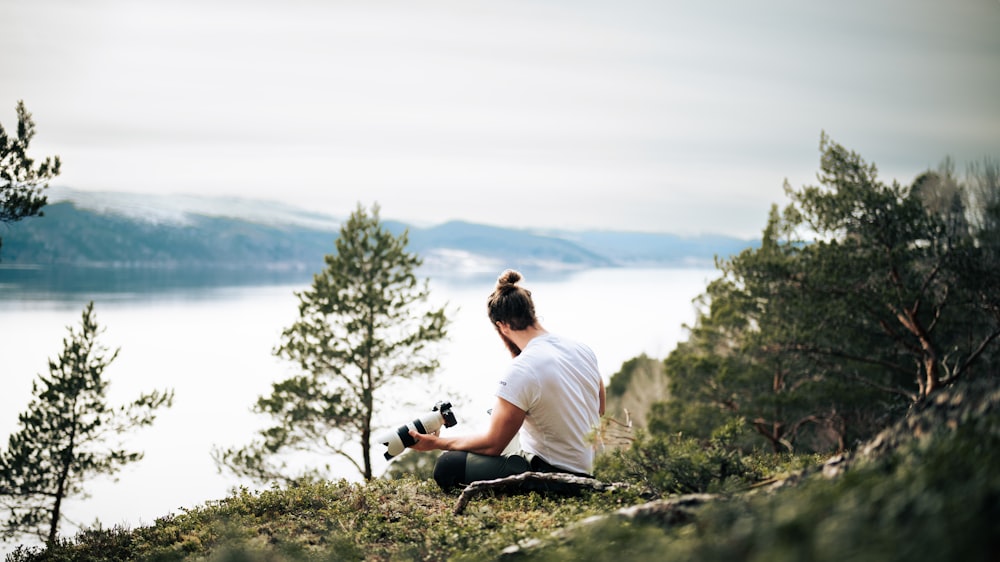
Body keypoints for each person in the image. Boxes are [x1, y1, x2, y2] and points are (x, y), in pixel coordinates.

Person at [408, 269, 606, 491]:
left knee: (448, 464)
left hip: (555, 476)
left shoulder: (523, 368)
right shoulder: (582, 349)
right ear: (531, 312)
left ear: (501, 325)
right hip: (588, 470)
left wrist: (436, 444)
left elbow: (494, 444)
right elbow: (599, 408)